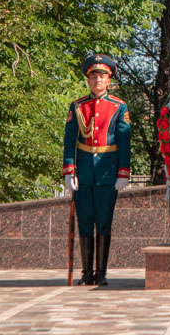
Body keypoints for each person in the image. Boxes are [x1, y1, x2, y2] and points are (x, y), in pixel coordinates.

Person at [63, 53, 131, 286]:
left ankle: (101, 273)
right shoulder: (78, 106)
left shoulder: (118, 106)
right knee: (84, 222)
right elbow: (70, 139)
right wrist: (69, 170)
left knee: (103, 222)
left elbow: (124, 141)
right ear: (88, 79)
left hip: (107, 171)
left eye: (102, 76)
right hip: (83, 171)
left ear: (109, 80)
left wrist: (123, 172)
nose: (97, 80)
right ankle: (86, 273)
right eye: (94, 76)